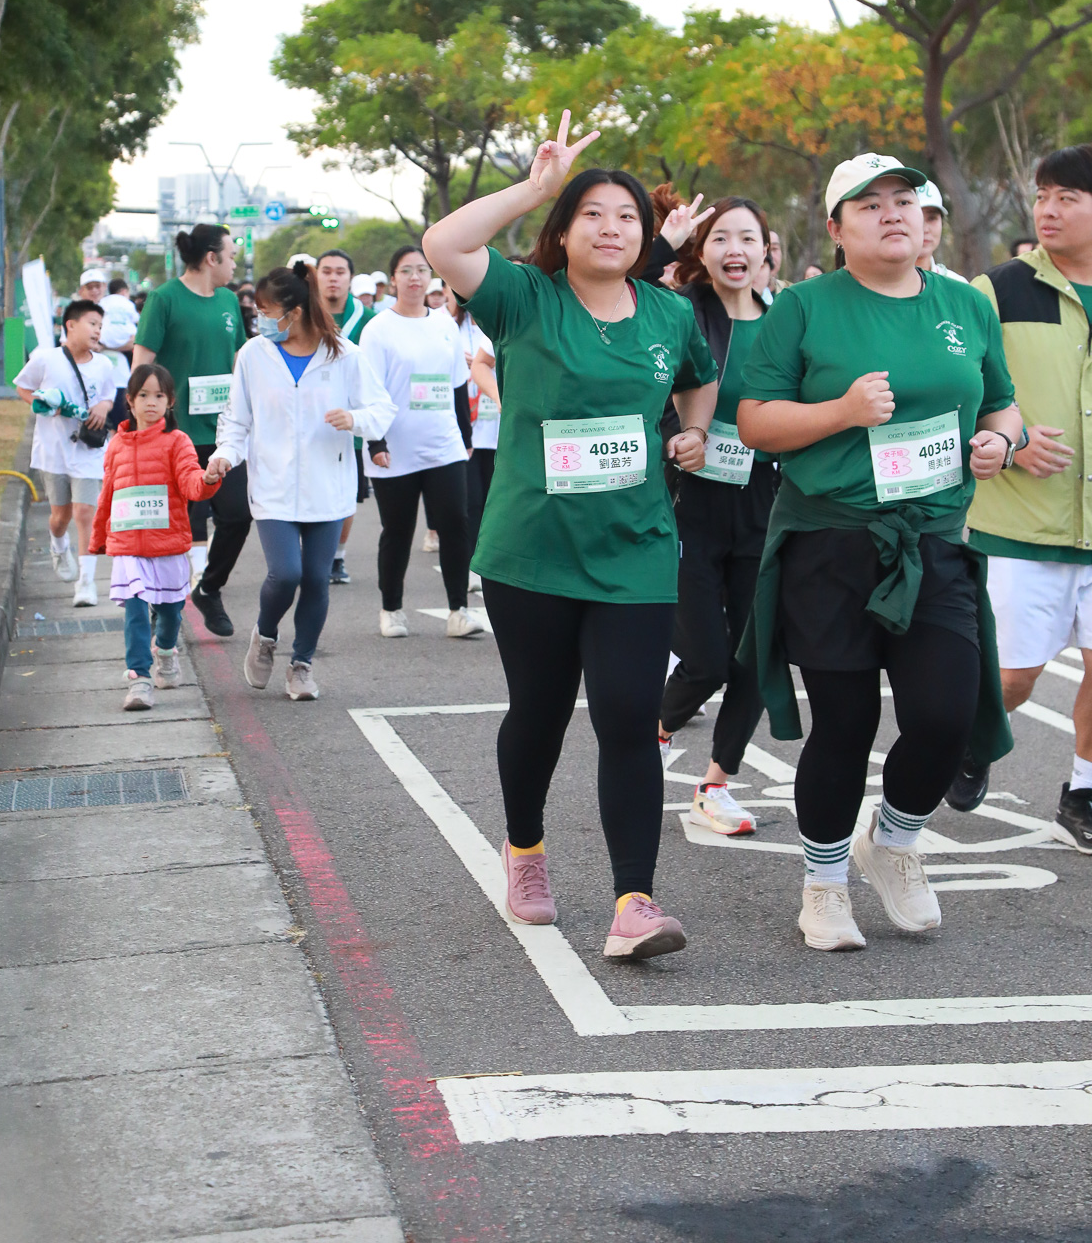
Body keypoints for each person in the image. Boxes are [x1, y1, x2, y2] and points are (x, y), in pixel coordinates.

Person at [423, 113, 719, 962]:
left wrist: (695, 433)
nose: (612, 228)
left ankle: (634, 902)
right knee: (541, 714)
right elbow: (444, 243)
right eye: (591, 213)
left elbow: (700, 380)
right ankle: (524, 848)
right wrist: (534, 186)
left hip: (636, 548)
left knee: (628, 717)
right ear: (563, 229)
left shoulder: (668, 313)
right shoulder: (524, 298)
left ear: (646, 236)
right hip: (534, 552)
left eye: (627, 217)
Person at [735, 154, 1020, 953]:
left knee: (946, 714)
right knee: (847, 721)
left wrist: (1002, 441)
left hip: (933, 540)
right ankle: (824, 884)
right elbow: (755, 423)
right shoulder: (803, 308)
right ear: (836, 228)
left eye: (905, 200)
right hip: (830, 542)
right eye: (869, 205)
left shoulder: (965, 304)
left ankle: (893, 842)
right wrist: (841, 411)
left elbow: (1002, 404)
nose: (893, 214)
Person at [952, 144, 1092, 850]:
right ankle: (973, 740)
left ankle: (1084, 790)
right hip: (1020, 526)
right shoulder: (997, 289)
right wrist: (1013, 442)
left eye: (1067, 196)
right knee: (1014, 679)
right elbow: (956, 388)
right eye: (1042, 195)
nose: (1047, 209)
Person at [208, 264, 395, 698]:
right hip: (272, 485)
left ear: (294, 312)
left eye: (267, 312)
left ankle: (302, 665)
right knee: (286, 573)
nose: (260, 320)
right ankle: (265, 634)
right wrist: (223, 456)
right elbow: (236, 419)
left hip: (328, 486)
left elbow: (382, 409)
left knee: (315, 578)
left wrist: (354, 419)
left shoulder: (345, 355)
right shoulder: (253, 355)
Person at [655, 197, 779, 837]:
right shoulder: (681, 313)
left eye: (748, 238)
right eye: (721, 238)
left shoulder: (786, 321)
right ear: (701, 252)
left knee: (756, 658)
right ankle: (654, 731)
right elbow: (645, 383)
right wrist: (677, 438)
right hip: (690, 503)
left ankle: (715, 785)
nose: (736, 250)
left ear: (766, 249)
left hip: (765, 504)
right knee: (705, 659)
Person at [359, 244, 481, 638]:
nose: (415, 277)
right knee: (397, 530)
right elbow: (369, 390)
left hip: (444, 443)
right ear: (393, 278)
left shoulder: (444, 324)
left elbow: (457, 385)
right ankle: (391, 609)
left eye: (422, 270)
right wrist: (376, 444)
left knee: (455, 523)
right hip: (395, 448)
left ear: (431, 278)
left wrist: (465, 436)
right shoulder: (378, 329)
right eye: (406, 270)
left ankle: (458, 610)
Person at [131, 224, 248, 635]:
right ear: (211, 258)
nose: (235, 265)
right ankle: (160, 602)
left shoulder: (229, 301)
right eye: (231, 256)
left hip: (223, 436)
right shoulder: (164, 299)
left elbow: (238, 362)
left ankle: (209, 589)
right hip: (174, 435)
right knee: (172, 525)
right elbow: (141, 365)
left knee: (238, 514)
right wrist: (143, 424)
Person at [89, 363, 216, 710]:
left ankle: (166, 650)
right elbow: (108, 494)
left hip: (168, 544)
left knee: (170, 614)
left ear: (170, 401)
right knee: (134, 612)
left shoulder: (178, 441)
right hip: (128, 546)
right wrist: (99, 538)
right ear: (129, 401)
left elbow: (190, 481)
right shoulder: (116, 445)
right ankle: (140, 679)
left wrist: (207, 480)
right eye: (143, 395)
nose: (150, 402)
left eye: (159, 395)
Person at [14, 298, 116, 605]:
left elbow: (109, 395)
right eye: (92, 324)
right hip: (53, 450)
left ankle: (86, 583)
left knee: (85, 513)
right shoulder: (46, 359)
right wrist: (43, 406)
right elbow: (22, 386)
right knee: (60, 516)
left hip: (88, 450)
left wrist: (103, 405)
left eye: (100, 326)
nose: (97, 331)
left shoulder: (104, 364)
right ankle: (58, 546)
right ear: (71, 325)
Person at [315, 248, 376, 583]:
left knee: (347, 491)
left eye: (340, 272)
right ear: (316, 276)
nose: (333, 278)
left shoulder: (367, 319)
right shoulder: (302, 314)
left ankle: (337, 556)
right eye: (326, 271)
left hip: (353, 419)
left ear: (350, 278)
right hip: (311, 418)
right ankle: (313, 554)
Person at [444, 281, 501, 542]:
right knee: (471, 502)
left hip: (498, 426)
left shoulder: (503, 324)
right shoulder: (450, 326)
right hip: (465, 429)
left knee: (495, 501)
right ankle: (472, 558)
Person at [90, 274, 139, 429]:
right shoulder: (128, 305)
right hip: (123, 371)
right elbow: (134, 336)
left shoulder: (102, 304)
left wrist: (105, 345)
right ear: (124, 291)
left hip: (102, 370)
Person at [916, 181, 966, 281]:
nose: (925, 229)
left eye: (932, 218)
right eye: (917, 218)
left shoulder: (958, 285)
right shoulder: (882, 285)